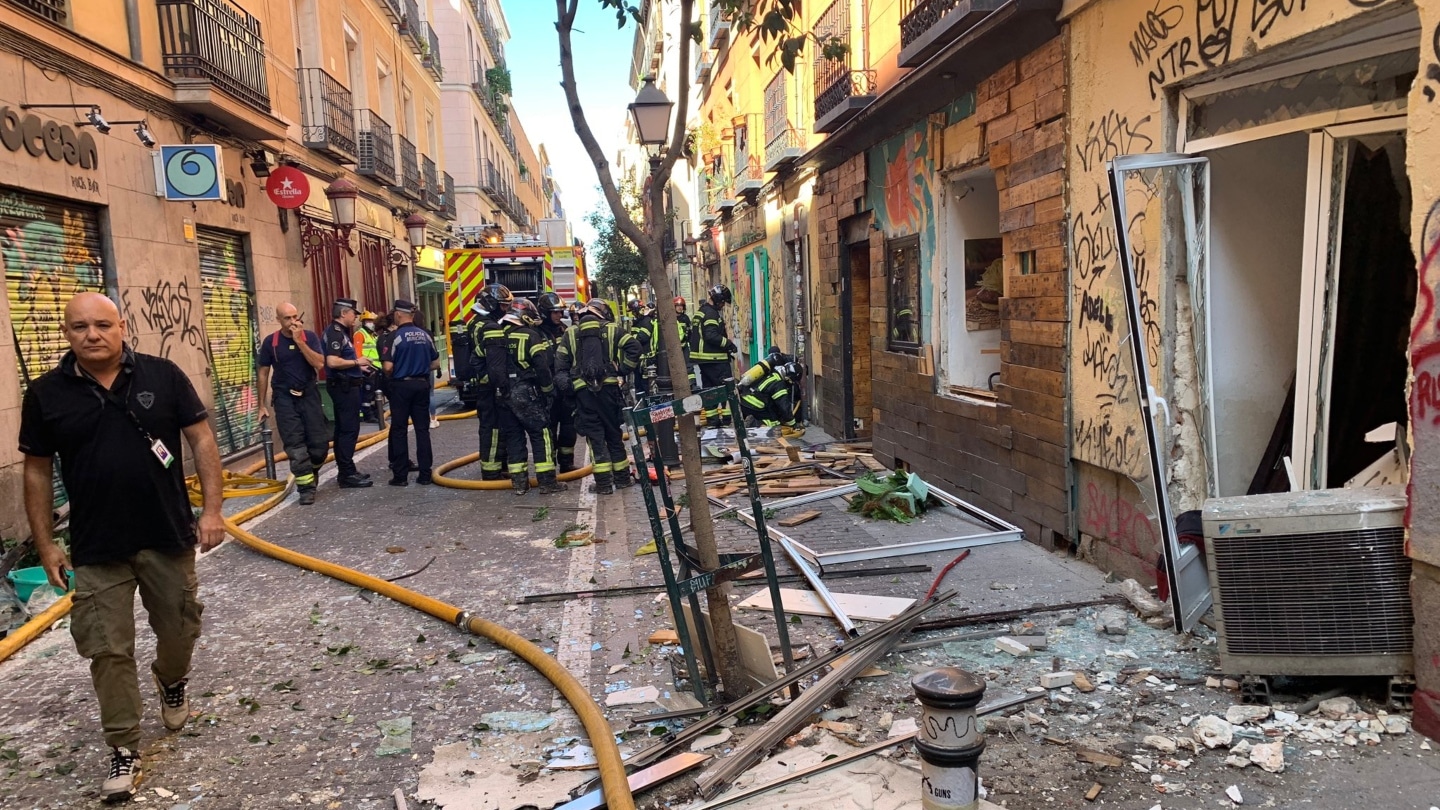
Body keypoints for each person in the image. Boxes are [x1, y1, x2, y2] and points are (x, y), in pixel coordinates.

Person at [18, 292, 226, 803]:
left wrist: (214, 511)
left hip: (166, 533)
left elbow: (201, 440)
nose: (93, 335)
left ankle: (171, 680)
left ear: (123, 326)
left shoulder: (163, 375)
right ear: (66, 333)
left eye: (103, 325)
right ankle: (124, 747)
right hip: (96, 546)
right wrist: (46, 545)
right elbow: (37, 469)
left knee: (179, 630)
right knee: (108, 651)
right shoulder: (46, 394)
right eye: (81, 327)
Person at [555, 299, 640, 494]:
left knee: (595, 437)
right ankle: (622, 479)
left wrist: (571, 388)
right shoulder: (612, 329)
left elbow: (560, 366)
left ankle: (603, 485)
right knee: (613, 434)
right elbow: (634, 348)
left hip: (584, 395)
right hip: (609, 392)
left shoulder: (570, 333)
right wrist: (621, 369)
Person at [489, 298, 566, 495]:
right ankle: (547, 482)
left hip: (502, 394)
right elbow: (542, 366)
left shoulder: (496, 335)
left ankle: (519, 484)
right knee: (542, 434)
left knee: (514, 437)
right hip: (526, 392)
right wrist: (548, 390)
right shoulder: (530, 336)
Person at [256, 302, 328, 505]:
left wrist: (299, 342)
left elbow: (319, 364)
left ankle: (310, 471)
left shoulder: (310, 337)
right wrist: (261, 404)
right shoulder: (272, 342)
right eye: (287, 318)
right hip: (285, 397)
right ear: (278, 320)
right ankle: (306, 489)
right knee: (295, 444)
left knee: (319, 445)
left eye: (295, 316)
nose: (293, 321)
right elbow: (262, 373)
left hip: (309, 394)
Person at [382, 300, 440, 486]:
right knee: (422, 430)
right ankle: (425, 474)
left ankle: (400, 476)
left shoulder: (394, 336)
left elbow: (388, 367)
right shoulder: (425, 335)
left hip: (401, 387)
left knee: (399, 430)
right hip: (421, 385)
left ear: (399, 314)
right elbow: (436, 363)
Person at [323, 298, 374, 489]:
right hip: (343, 387)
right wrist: (356, 363)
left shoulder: (341, 333)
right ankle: (346, 473)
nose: (356, 317)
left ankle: (348, 469)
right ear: (343, 313)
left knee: (346, 429)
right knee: (348, 430)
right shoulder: (335, 333)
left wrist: (359, 368)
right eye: (354, 313)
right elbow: (332, 362)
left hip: (348, 383)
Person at [470, 284, 513, 480]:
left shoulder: (476, 323)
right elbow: (494, 360)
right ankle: (491, 470)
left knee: (492, 426)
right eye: (503, 306)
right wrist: (501, 385)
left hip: (483, 384)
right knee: (493, 428)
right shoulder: (488, 326)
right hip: (490, 387)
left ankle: (497, 466)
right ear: (490, 303)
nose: (505, 310)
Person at [536, 292, 578, 473]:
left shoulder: (564, 331)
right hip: (547, 391)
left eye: (560, 312)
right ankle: (549, 464)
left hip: (565, 389)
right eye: (555, 312)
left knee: (569, 428)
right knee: (549, 430)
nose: (559, 316)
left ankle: (567, 463)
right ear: (545, 312)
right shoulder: (536, 333)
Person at [739, 360, 805, 436]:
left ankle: (749, 424)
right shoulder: (779, 384)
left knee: (772, 413)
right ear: (789, 377)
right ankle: (753, 423)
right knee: (774, 423)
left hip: (744, 400)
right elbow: (783, 406)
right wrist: (792, 423)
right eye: (790, 381)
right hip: (755, 405)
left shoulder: (771, 373)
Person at [354, 311, 381, 423]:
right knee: (367, 393)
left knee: (375, 392)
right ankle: (367, 414)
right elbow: (357, 352)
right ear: (364, 322)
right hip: (367, 368)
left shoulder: (373, 335)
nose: (371, 323)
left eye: (372, 321)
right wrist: (362, 365)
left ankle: (376, 411)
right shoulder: (360, 334)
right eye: (369, 321)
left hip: (376, 367)